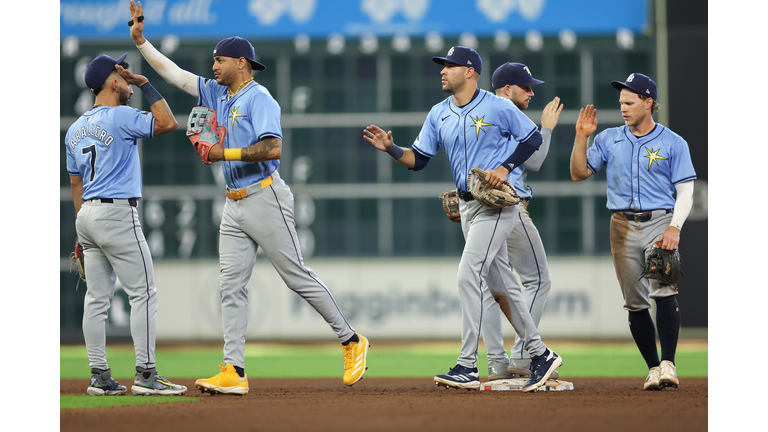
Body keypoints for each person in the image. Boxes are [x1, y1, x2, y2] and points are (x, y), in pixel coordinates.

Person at [127, 0, 369, 395]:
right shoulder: (215, 93)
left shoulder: (260, 98)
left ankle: (350, 339)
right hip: (233, 203)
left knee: (296, 277)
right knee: (230, 286)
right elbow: (174, 75)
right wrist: (141, 43)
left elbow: (273, 149)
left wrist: (225, 153)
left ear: (241, 63)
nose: (213, 67)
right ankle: (234, 369)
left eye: (219, 60)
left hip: (265, 195)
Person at [364, 46, 562, 393]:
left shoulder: (497, 106)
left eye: (450, 65)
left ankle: (468, 364)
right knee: (503, 285)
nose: (443, 70)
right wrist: (392, 149)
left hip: (498, 206)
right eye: (442, 65)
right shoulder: (439, 113)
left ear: (470, 71)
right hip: (469, 206)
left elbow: (532, 138)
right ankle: (540, 354)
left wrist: (504, 168)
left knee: (468, 274)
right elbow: (419, 159)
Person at [65, 52, 187, 396]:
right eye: (124, 72)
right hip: (117, 213)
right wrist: (146, 85)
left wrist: (82, 228)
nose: (129, 77)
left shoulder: (74, 130)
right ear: (114, 81)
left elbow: (76, 184)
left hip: (86, 214)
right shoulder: (119, 117)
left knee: (96, 300)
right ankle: (146, 375)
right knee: (144, 293)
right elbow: (167, 123)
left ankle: (99, 377)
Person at [570, 73, 695, 390]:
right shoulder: (609, 138)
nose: (623, 108)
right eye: (621, 102)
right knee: (635, 302)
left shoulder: (672, 142)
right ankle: (653, 368)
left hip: (658, 222)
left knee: (664, 292)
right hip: (621, 225)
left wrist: (674, 228)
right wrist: (582, 137)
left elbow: (686, 190)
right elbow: (579, 173)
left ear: (648, 102)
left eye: (630, 102)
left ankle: (668, 364)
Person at [481, 63, 563, 381]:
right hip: (509, 206)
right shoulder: (508, 114)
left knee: (492, 289)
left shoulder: (477, 113)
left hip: (480, 207)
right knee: (538, 280)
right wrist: (547, 128)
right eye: (526, 87)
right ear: (506, 89)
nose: (531, 92)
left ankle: (497, 363)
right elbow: (537, 161)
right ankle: (522, 354)